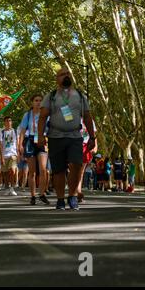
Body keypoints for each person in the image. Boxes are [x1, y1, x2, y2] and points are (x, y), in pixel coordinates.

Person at [37, 67, 95, 210]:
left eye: (68, 73)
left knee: (76, 165)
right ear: (57, 79)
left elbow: (87, 117)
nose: (66, 76)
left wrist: (93, 137)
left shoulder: (80, 96)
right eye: (62, 74)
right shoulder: (51, 96)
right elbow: (43, 117)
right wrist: (40, 137)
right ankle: (61, 199)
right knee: (58, 170)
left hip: (75, 136)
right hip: (55, 137)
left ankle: (73, 196)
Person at [18, 94, 50, 205]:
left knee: (43, 169)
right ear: (32, 102)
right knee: (32, 171)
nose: (38, 102)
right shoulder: (27, 115)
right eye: (36, 100)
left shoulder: (46, 114)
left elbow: (50, 128)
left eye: (41, 100)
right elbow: (22, 131)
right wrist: (20, 145)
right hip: (30, 141)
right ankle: (32, 195)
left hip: (42, 140)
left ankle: (42, 194)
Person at [76, 119, 97, 202]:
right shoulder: (74, 116)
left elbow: (94, 135)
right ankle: (74, 192)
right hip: (74, 145)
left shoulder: (90, 121)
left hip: (86, 147)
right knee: (74, 170)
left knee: (81, 172)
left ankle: (78, 192)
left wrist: (95, 146)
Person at [0, 116, 18, 196]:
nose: (8, 122)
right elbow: (0, 145)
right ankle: (6, 188)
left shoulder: (15, 131)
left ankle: (12, 188)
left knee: (12, 171)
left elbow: (17, 143)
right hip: (4, 155)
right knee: (5, 173)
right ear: (4, 123)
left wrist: (18, 154)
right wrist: (1, 157)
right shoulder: (1, 132)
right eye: (7, 121)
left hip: (13, 154)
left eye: (10, 120)